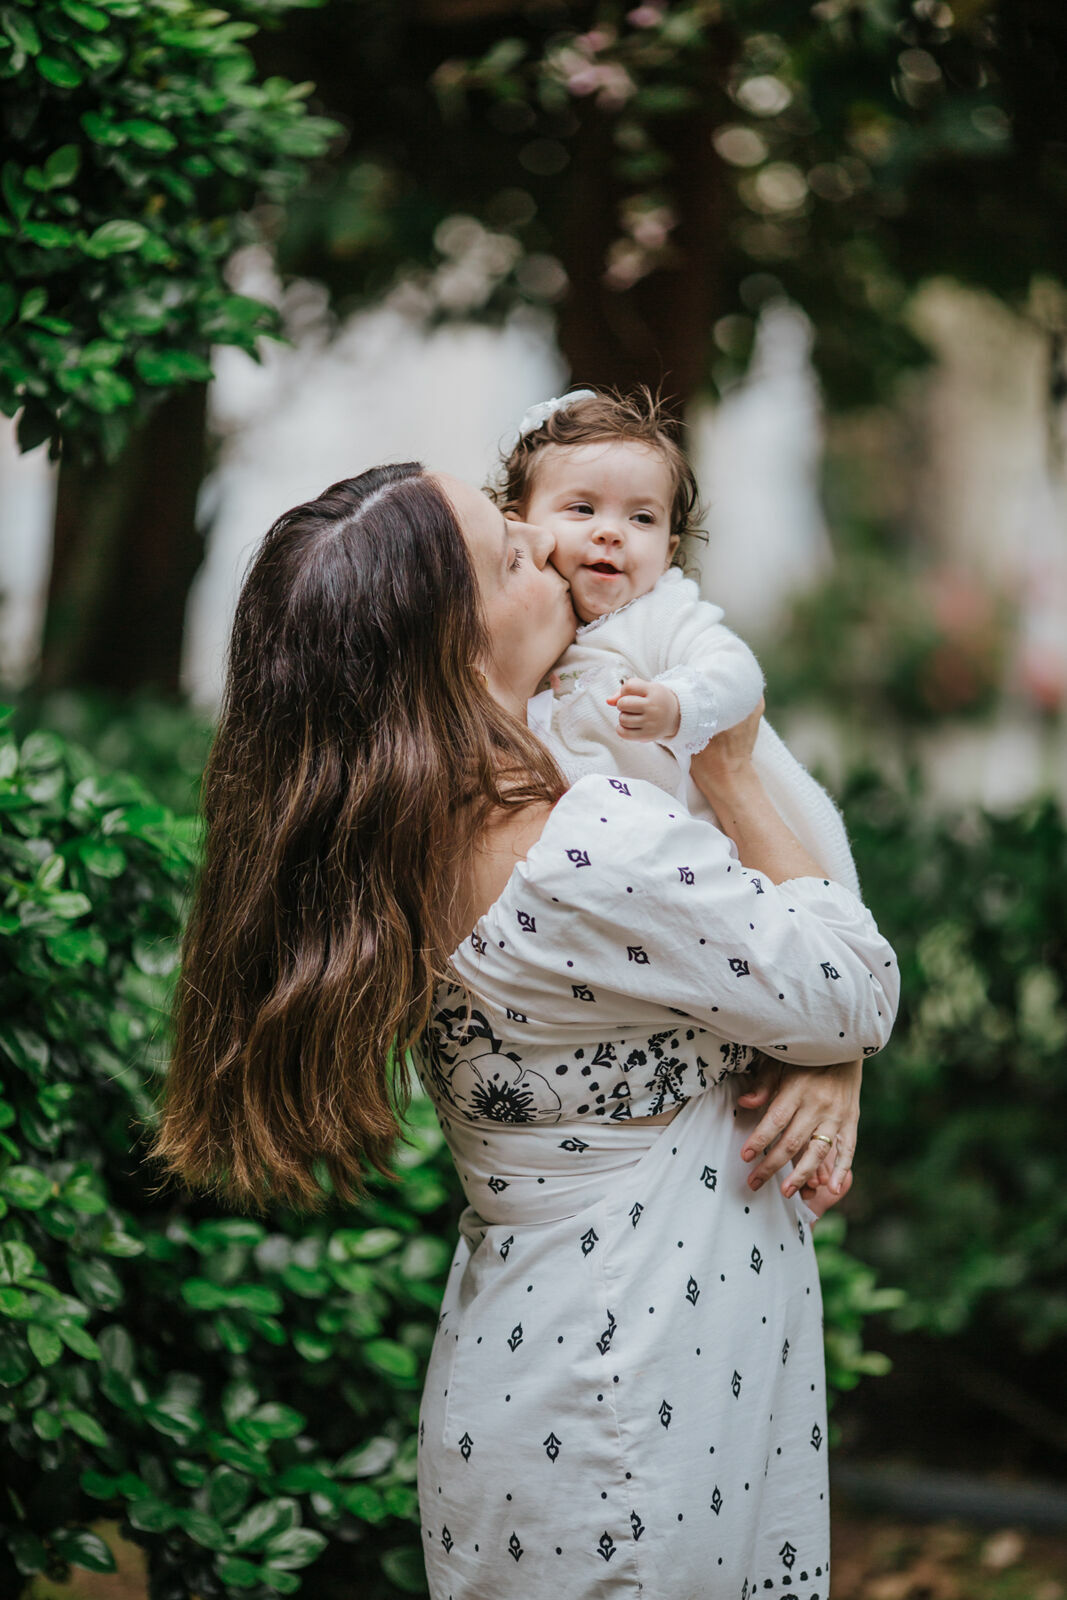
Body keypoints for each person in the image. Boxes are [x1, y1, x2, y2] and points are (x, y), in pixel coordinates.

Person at [152, 463, 899, 1600]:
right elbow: (851, 978)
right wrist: (732, 769)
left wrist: (815, 1044)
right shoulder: (579, 850)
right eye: (508, 554)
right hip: (635, 1397)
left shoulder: (408, 831)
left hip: (558, 1368)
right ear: (453, 653)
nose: (547, 548)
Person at [497, 388, 860, 897]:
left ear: (669, 551)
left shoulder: (659, 613)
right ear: (520, 528)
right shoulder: (523, 631)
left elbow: (737, 669)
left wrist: (679, 705)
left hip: (707, 852)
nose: (611, 532)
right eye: (582, 509)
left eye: (641, 518)